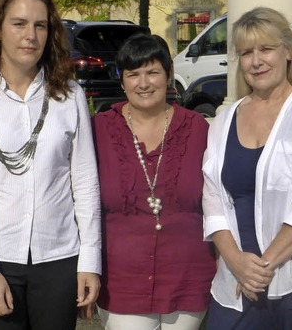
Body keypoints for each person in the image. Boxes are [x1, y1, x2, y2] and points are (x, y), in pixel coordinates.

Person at [0, 0, 101, 330]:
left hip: (59, 259)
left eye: (40, 25)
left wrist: (90, 260)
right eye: (19, 23)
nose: (30, 35)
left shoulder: (70, 95)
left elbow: (86, 183)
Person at [202, 7, 292, 329]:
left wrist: (260, 268)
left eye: (266, 49)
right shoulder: (223, 120)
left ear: (288, 51)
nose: (256, 61)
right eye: (247, 53)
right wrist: (235, 261)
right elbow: (212, 199)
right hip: (233, 282)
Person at [92, 33, 216, 330]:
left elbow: (218, 199)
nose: (143, 83)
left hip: (188, 278)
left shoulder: (198, 129)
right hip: (121, 282)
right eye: (133, 74)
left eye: (152, 72)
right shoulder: (98, 131)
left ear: (169, 74)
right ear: (122, 81)